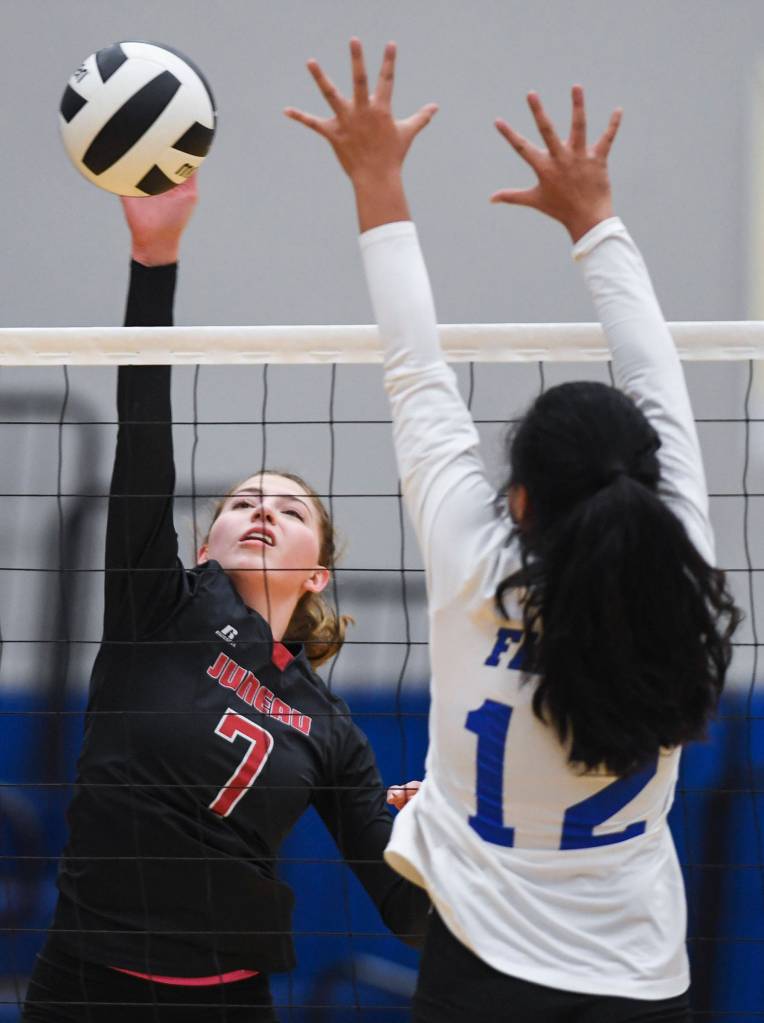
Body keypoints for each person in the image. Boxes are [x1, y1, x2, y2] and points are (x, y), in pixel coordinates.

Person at [287, 39, 740, 1022]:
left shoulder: (471, 570)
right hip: (636, 984)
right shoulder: (678, 582)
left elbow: (413, 371)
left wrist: (375, 177)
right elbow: (659, 383)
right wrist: (595, 222)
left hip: (480, 978)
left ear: (520, 501)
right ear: (642, 481)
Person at [22, 175, 428, 1023]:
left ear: (318, 573)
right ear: (203, 542)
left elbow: (408, 909)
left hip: (226, 1004)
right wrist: (153, 258)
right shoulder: (156, 606)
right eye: (243, 502)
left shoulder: (331, 729)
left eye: (288, 509)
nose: (262, 512)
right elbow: (144, 424)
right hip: (85, 985)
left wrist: (443, 838)